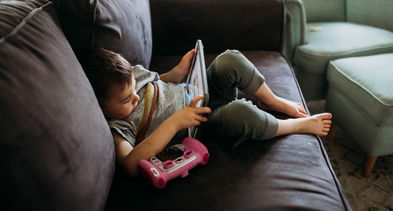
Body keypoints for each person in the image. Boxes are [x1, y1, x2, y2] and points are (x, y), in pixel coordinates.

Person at [82, 48, 332, 176]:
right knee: (239, 113)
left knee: (229, 59)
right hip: (203, 122)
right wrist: (174, 123)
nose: (135, 96)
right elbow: (130, 164)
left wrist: (177, 72)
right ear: (101, 107)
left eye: (132, 89)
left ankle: (271, 100)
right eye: (127, 99)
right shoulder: (119, 127)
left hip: (198, 89)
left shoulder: (131, 76)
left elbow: (159, 80)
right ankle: (296, 125)